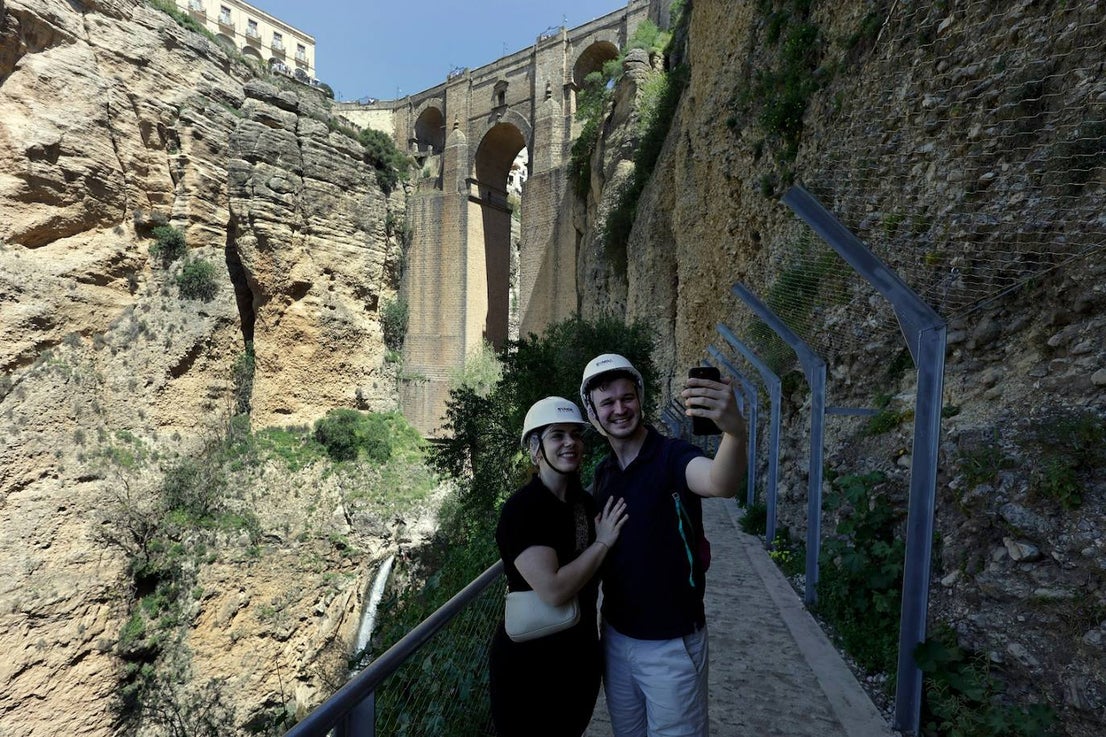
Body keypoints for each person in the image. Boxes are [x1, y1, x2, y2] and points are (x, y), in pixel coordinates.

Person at [579, 354, 748, 737]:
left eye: (627, 397)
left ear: (640, 398)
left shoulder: (671, 456)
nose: (619, 409)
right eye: (607, 402)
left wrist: (735, 433)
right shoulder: (604, 473)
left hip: (671, 643)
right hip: (616, 638)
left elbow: (719, 482)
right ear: (592, 413)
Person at [488, 396, 629, 737]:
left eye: (575, 434)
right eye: (557, 435)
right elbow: (553, 590)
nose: (570, 442)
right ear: (535, 449)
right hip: (529, 668)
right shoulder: (523, 510)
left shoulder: (584, 504)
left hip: (578, 658)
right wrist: (602, 543)